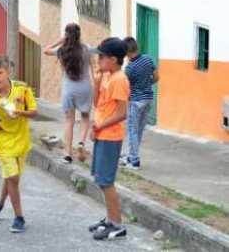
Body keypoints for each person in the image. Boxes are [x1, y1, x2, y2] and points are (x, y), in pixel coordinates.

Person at [0, 56, 37, 233]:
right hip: (3, 140)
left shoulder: (22, 89)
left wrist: (18, 112)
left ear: (8, 73)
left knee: (12, 178)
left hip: (22, 139)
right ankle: (19, 217)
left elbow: (34, 112)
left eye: (0, 73)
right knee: (12, 178)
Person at [88, 37, 130, 241]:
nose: (98, 59)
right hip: (101, 132)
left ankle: (117, 224)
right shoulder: (106, 76)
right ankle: (109, 218)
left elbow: (122, 113)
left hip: (110, 136)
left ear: (113, 59)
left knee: (106, 181)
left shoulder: (119, 79)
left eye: (101, 56)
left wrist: (99, 126)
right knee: (100, 178)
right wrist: (96, 83)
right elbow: (98, 104)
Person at [44, 23, 93, 164]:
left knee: (69, 120)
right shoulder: (86, 49)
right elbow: (93, 67)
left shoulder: (61, 50)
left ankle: (67, 153)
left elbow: (46, 50)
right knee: (85, 117)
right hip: (85, 87)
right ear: (79, 35)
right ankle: (81, 143)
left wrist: (60, 40)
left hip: (68, 89)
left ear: (66, 35)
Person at [121, 37, 159, 170]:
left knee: (132, 130)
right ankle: (131, 155)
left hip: (136, 101)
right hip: (148, 99)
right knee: (139, 130)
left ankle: (134, 161)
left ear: (127, 52)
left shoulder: (129, 68)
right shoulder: (148, 59)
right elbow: (156, 77)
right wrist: (147, 85)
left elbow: (126, 88)